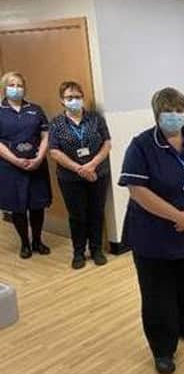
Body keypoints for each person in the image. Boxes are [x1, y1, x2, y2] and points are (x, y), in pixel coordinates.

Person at [119, 88, 184, 374]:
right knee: (157, 293)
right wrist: (179, 216)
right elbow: (137, 190)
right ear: (157, 115)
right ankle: (162, 348)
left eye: (179, 110)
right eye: (168, 111)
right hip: (153, 234)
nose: (174, 116)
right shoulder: (141, 145)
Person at [49, 81, 112, 269]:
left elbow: (107, 143)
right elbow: (54, 151)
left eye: (77, 97)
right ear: (62, 100)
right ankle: (78, 252)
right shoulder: (57, 123)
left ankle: (96, 249)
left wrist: (91, 166)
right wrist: (79, 169)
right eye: (69, 98)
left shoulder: (95, 118)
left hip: (98, 174)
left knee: (96, 212)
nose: (74, 101)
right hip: (70, 178)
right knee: (77, 216)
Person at [0, 72, 52, 259]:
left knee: (37, 205)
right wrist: (15, 160)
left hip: (36, 164)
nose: (16, 89)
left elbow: (45, 135)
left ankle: (38, 240)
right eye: (12, 85)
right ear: (4, 88)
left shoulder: (35, 110)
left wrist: (39, 157)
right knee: (18, 207)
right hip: (10, 167)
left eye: (20, 85)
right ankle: (25, 243)